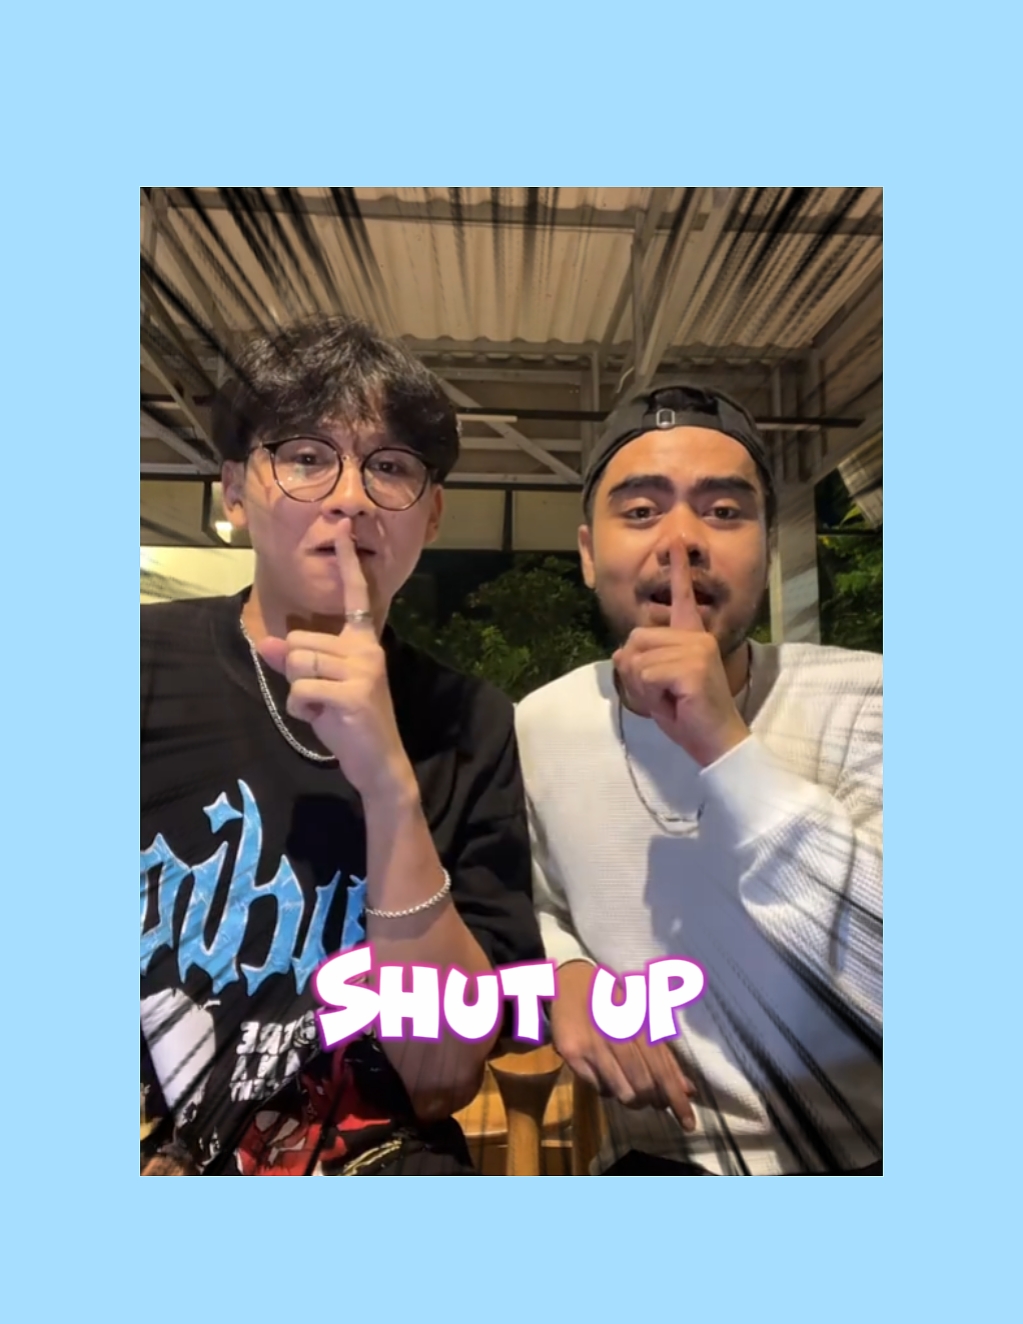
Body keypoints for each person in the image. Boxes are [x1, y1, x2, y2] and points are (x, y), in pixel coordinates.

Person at [141, 317, 545, 1175]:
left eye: (390, 467)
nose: (351, 495)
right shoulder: (134, 667)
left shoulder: (472, 724)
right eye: (305, 456)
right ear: (234, 492)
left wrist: (389, 786)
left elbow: (442, 1077)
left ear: (431, 515)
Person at [515, 385, 882, 1175]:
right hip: (656, 1158)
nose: (681, 540)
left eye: (722, 511)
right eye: (640, 511)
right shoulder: (540, 725)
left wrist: (724, 745)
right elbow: (539, 901)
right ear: (587, 553)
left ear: (767, 549)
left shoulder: (870, 702)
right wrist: (565, 975)